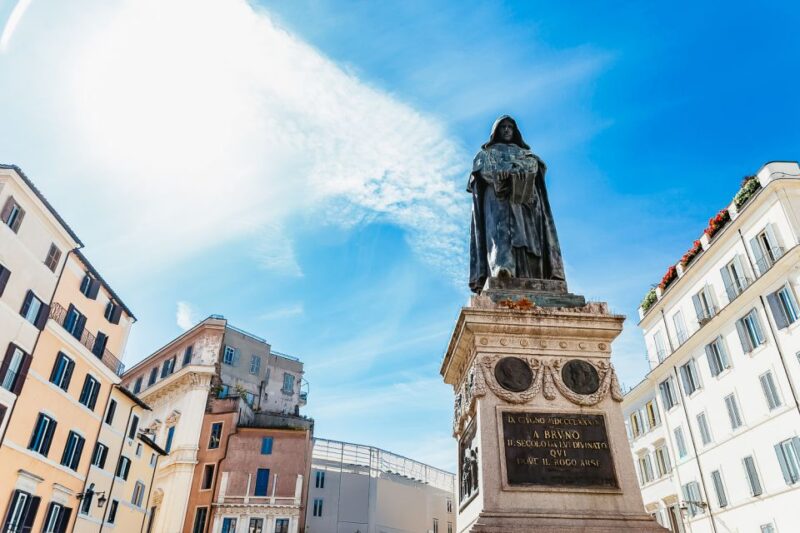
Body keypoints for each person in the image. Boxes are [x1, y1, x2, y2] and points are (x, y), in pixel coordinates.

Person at [468, 115, 565, 293]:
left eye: (509, 127)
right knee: (499, 235)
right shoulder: (485, 154)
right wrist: (502, 176)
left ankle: (534, 274)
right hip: (498, 201)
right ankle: (502, 268)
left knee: (528, 237)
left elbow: (535, 167)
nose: (506, 130)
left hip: (525, 201)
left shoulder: (526, 154)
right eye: (503, 127)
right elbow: (483, 172)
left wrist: (516, 171)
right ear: (496, 131)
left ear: (515, 131)